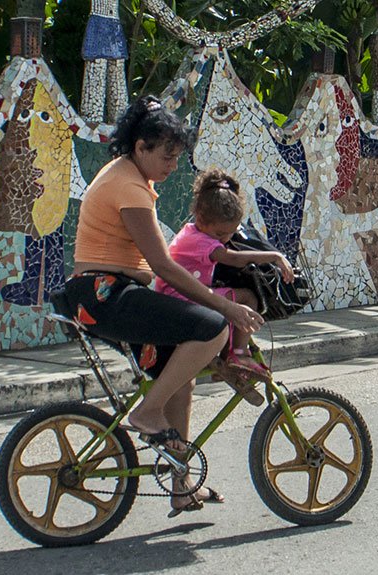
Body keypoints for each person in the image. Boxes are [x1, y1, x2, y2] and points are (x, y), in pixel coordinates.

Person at [49, 95, 265, 517]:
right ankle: (147, 413)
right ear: (140, 147)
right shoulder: (129, 187)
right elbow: (164, 266)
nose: (171, 165)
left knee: (180, 377)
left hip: (106, 294)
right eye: (165, 155)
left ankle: (181, 485)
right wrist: (230, 310)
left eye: (177, 156)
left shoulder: (130, 179)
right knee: (212, 328)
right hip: (106, 295)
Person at [152, 168, 295, 406]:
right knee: (247, 299)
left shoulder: (196, 232)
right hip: (181, 297)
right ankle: (237, 354)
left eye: (230, 233)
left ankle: (225, 356)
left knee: (230, 301)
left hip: (182, 296)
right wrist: (275, 256)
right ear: (199, 218)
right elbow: (233, 258)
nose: (224, 239)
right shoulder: (199, 240)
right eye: (220, 233)